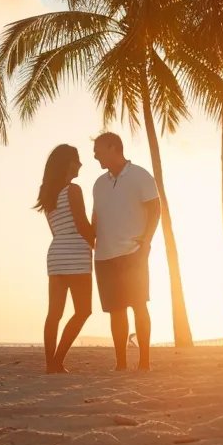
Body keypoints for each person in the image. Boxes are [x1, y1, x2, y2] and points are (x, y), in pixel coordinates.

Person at [90, 132, 159, 371]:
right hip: (104, 256)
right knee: (115, 311)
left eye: (98, 150)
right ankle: (120, 363)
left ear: (113, 147)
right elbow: (95, 217)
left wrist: (146, 243)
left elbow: (155, 210)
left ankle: (144, 362)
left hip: (133, 252)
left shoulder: (140, 175)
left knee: (139, 304)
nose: (94, 155)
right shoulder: (99, 184)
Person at [38, 144, 96, 373]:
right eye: (77, 160)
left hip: (56, 253)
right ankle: (57, 360)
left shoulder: (48, 194)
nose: (80, 164)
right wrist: (97, 242)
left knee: (54, 313)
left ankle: (50, 363)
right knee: (83, 311)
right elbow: (82, 225)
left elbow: (56, 229)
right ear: (67, 163)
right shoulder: (73, 190)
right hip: (76, 253)